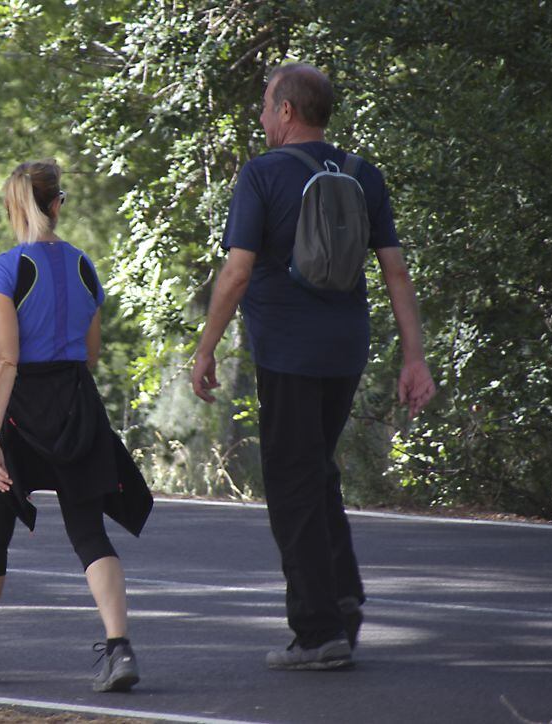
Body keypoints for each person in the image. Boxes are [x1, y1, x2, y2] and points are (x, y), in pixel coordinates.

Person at [191, 63, 435, 670]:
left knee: (292, 483)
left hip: (287, 350)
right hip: (345, 349)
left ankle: (317, 630)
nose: (262, 114)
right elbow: (396, 273)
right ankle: (343, 599)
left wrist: (205, 347)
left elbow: (237, 272)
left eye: (266, 103)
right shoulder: (363, 174)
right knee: (316, 471)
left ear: (288, 112)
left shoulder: (263, 174)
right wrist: (414, 358)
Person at [0, 159, 153, 692]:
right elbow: (91, 353)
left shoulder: (3, 270)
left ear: (13, 208)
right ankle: (119, 649)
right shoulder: (83, 266)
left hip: (21, 409)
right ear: (57, 204)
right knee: (89, 532)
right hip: (76, 405)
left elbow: (3, 359)